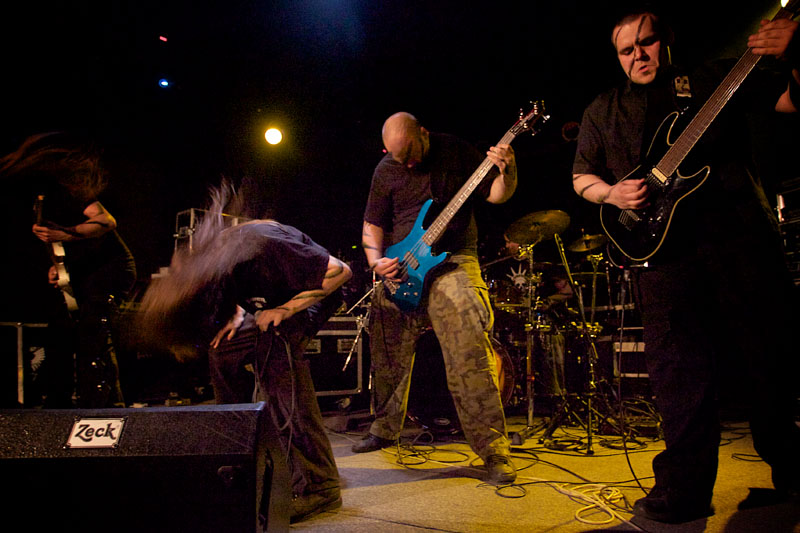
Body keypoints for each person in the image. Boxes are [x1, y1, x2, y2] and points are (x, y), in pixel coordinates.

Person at [572, 5, 800, 524]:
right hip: (663, 258)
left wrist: (795, 51)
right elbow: (581, 177)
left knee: (770, 364)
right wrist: (610, 193)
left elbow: (788, 100)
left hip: (737, 241)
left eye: (646, 43)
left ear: (666, 40)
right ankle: (685, 491)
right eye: (626, 51)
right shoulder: (602, 110)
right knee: (679, 380)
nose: (638, 56)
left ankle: (792, 467)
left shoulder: (712, 79)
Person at [137, 185, 352, 524]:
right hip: (269, 301)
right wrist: (237, 317)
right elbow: (236, 289)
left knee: (276, 351)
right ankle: (237, 452)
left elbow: (340, 271)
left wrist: (283, 310)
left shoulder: (264, 242)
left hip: (310, 295)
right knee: (222, 352)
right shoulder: (207, 269)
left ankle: (319, 485)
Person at [355, 111, 519, 484]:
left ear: (423, 133)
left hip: (453, 261)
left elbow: (496, 195)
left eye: (411, 153)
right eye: (399, 158)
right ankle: (383, 427)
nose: (407, 163)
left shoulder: (456, 151)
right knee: (384, 342)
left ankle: (493, 449)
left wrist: (507, 171)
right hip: (401, 268)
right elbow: (372, 223)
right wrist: (376, 261)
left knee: (468, 346)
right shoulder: (385, 170)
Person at [0, 133, 136, 408]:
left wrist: (70, 235)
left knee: (92, 331)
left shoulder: (70, 192)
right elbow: (54, 240)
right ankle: (59, 406)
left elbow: (107, 221)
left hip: (112, 267)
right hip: (83, 271)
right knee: (60, 333)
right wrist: (58, 266)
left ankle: (105, 407)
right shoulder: (37, 201)